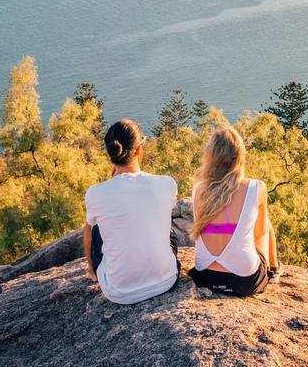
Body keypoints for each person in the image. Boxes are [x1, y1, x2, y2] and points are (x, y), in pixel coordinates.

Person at [83, 119, 179, 304]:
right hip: (166, 282)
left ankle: (91, 272)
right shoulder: (167, 183)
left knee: (93, 227)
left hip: (119, 293)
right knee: (168, 230)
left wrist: (92, 266)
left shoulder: (95, 192)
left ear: (110, 153)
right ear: (138, 149)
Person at [188, 125, 280, 297]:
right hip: (244, 281)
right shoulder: (256, 187)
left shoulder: (198, 189)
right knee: (265, 223)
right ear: (239, 157)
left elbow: (216, 228)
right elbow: (260, 233)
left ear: (211, 157)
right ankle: (273, 270)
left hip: (204, 277)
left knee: (221, 225)